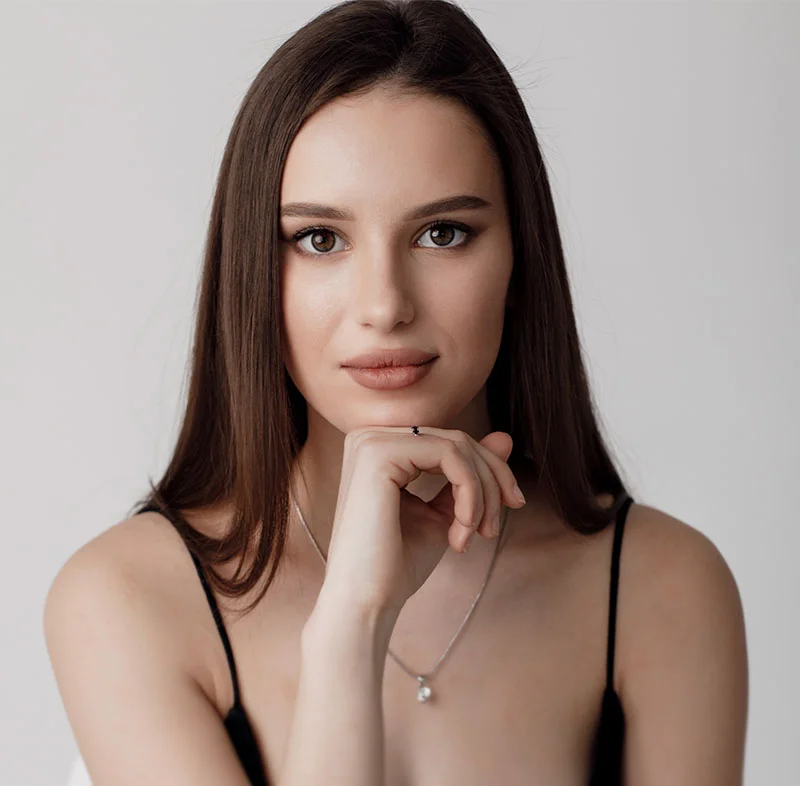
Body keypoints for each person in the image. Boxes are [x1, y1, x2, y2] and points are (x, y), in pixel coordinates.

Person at [43, 1, 748, 784]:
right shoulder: (131, 599)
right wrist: (351, 627)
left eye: (442, 233)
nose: (385, 305)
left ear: (520, 261)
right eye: (320, 239)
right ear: (253, 274)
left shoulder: (662, 587)